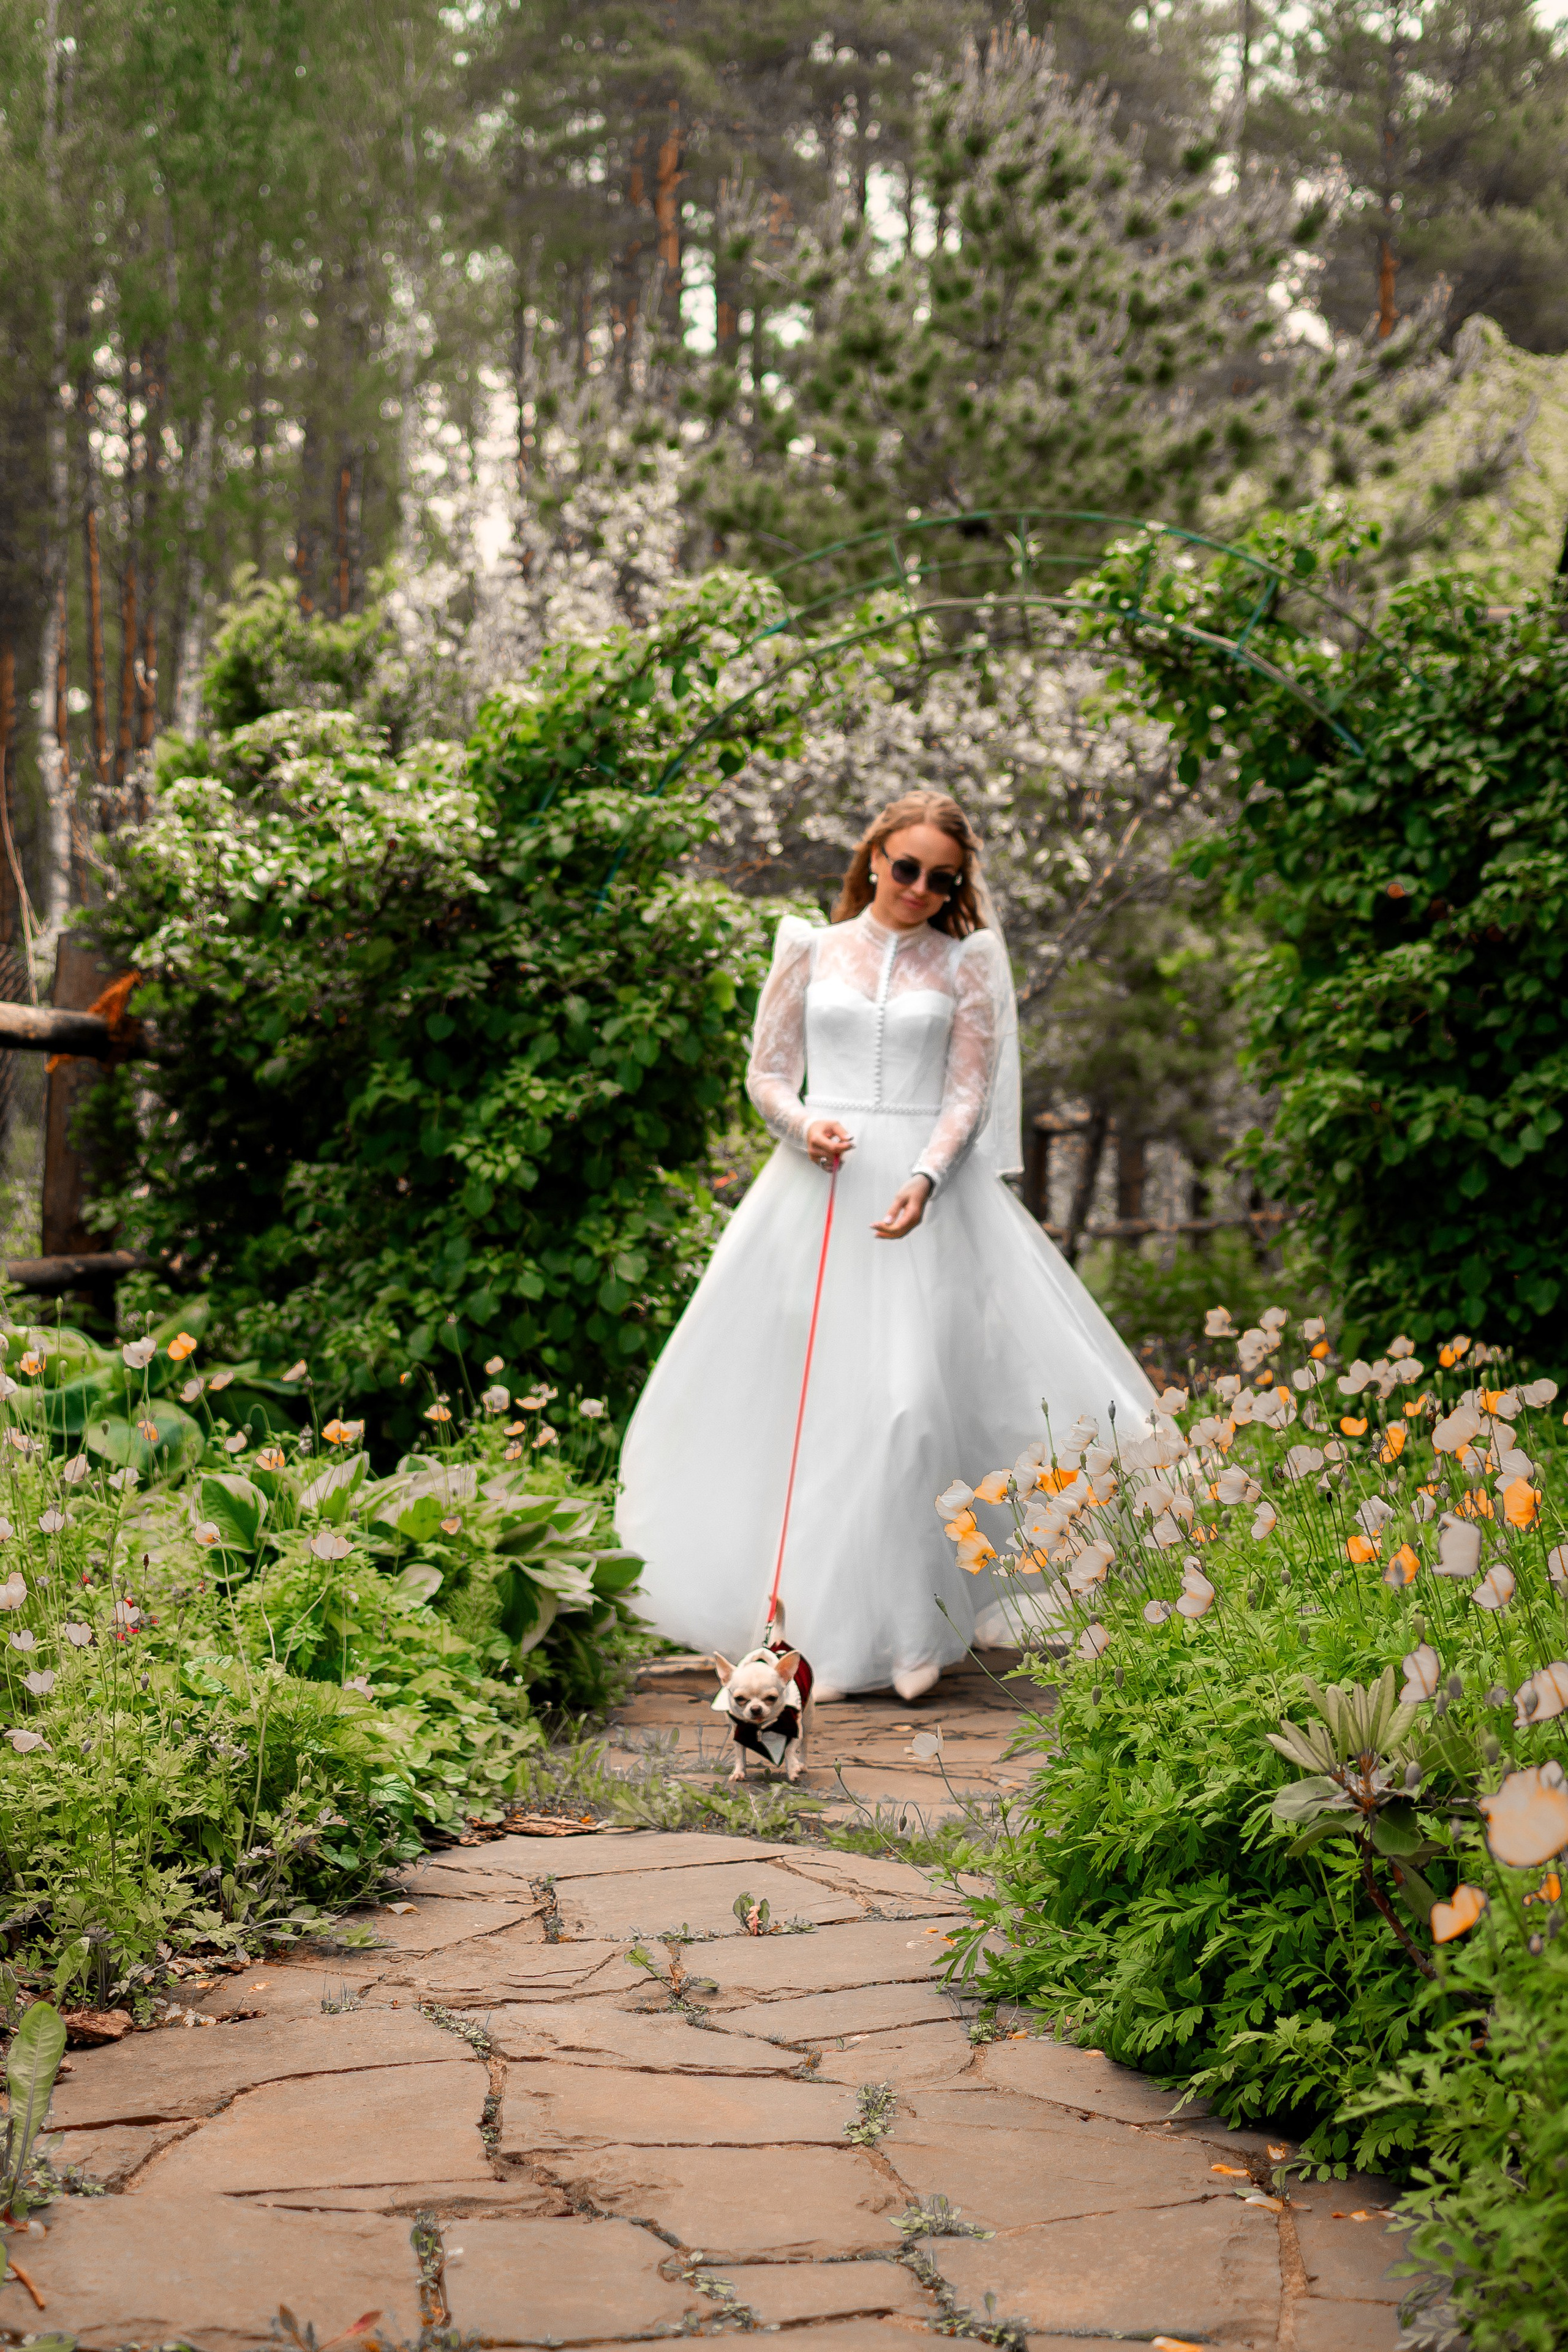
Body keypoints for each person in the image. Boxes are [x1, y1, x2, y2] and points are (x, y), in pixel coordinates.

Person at [617, 790, 1156, 1702]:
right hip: (813, 1196)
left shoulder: (967, 964)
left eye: (942, 879)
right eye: (905, 868)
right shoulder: (810, 949)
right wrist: (805, 1126)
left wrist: (927, 1176)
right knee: (819, 1411)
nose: (920, 889)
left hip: (921, 1206)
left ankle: (916, 1633)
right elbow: (767, 1072)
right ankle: (817, 1636)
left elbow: (967, 1095)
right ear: (874, 859)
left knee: (908, 1412)